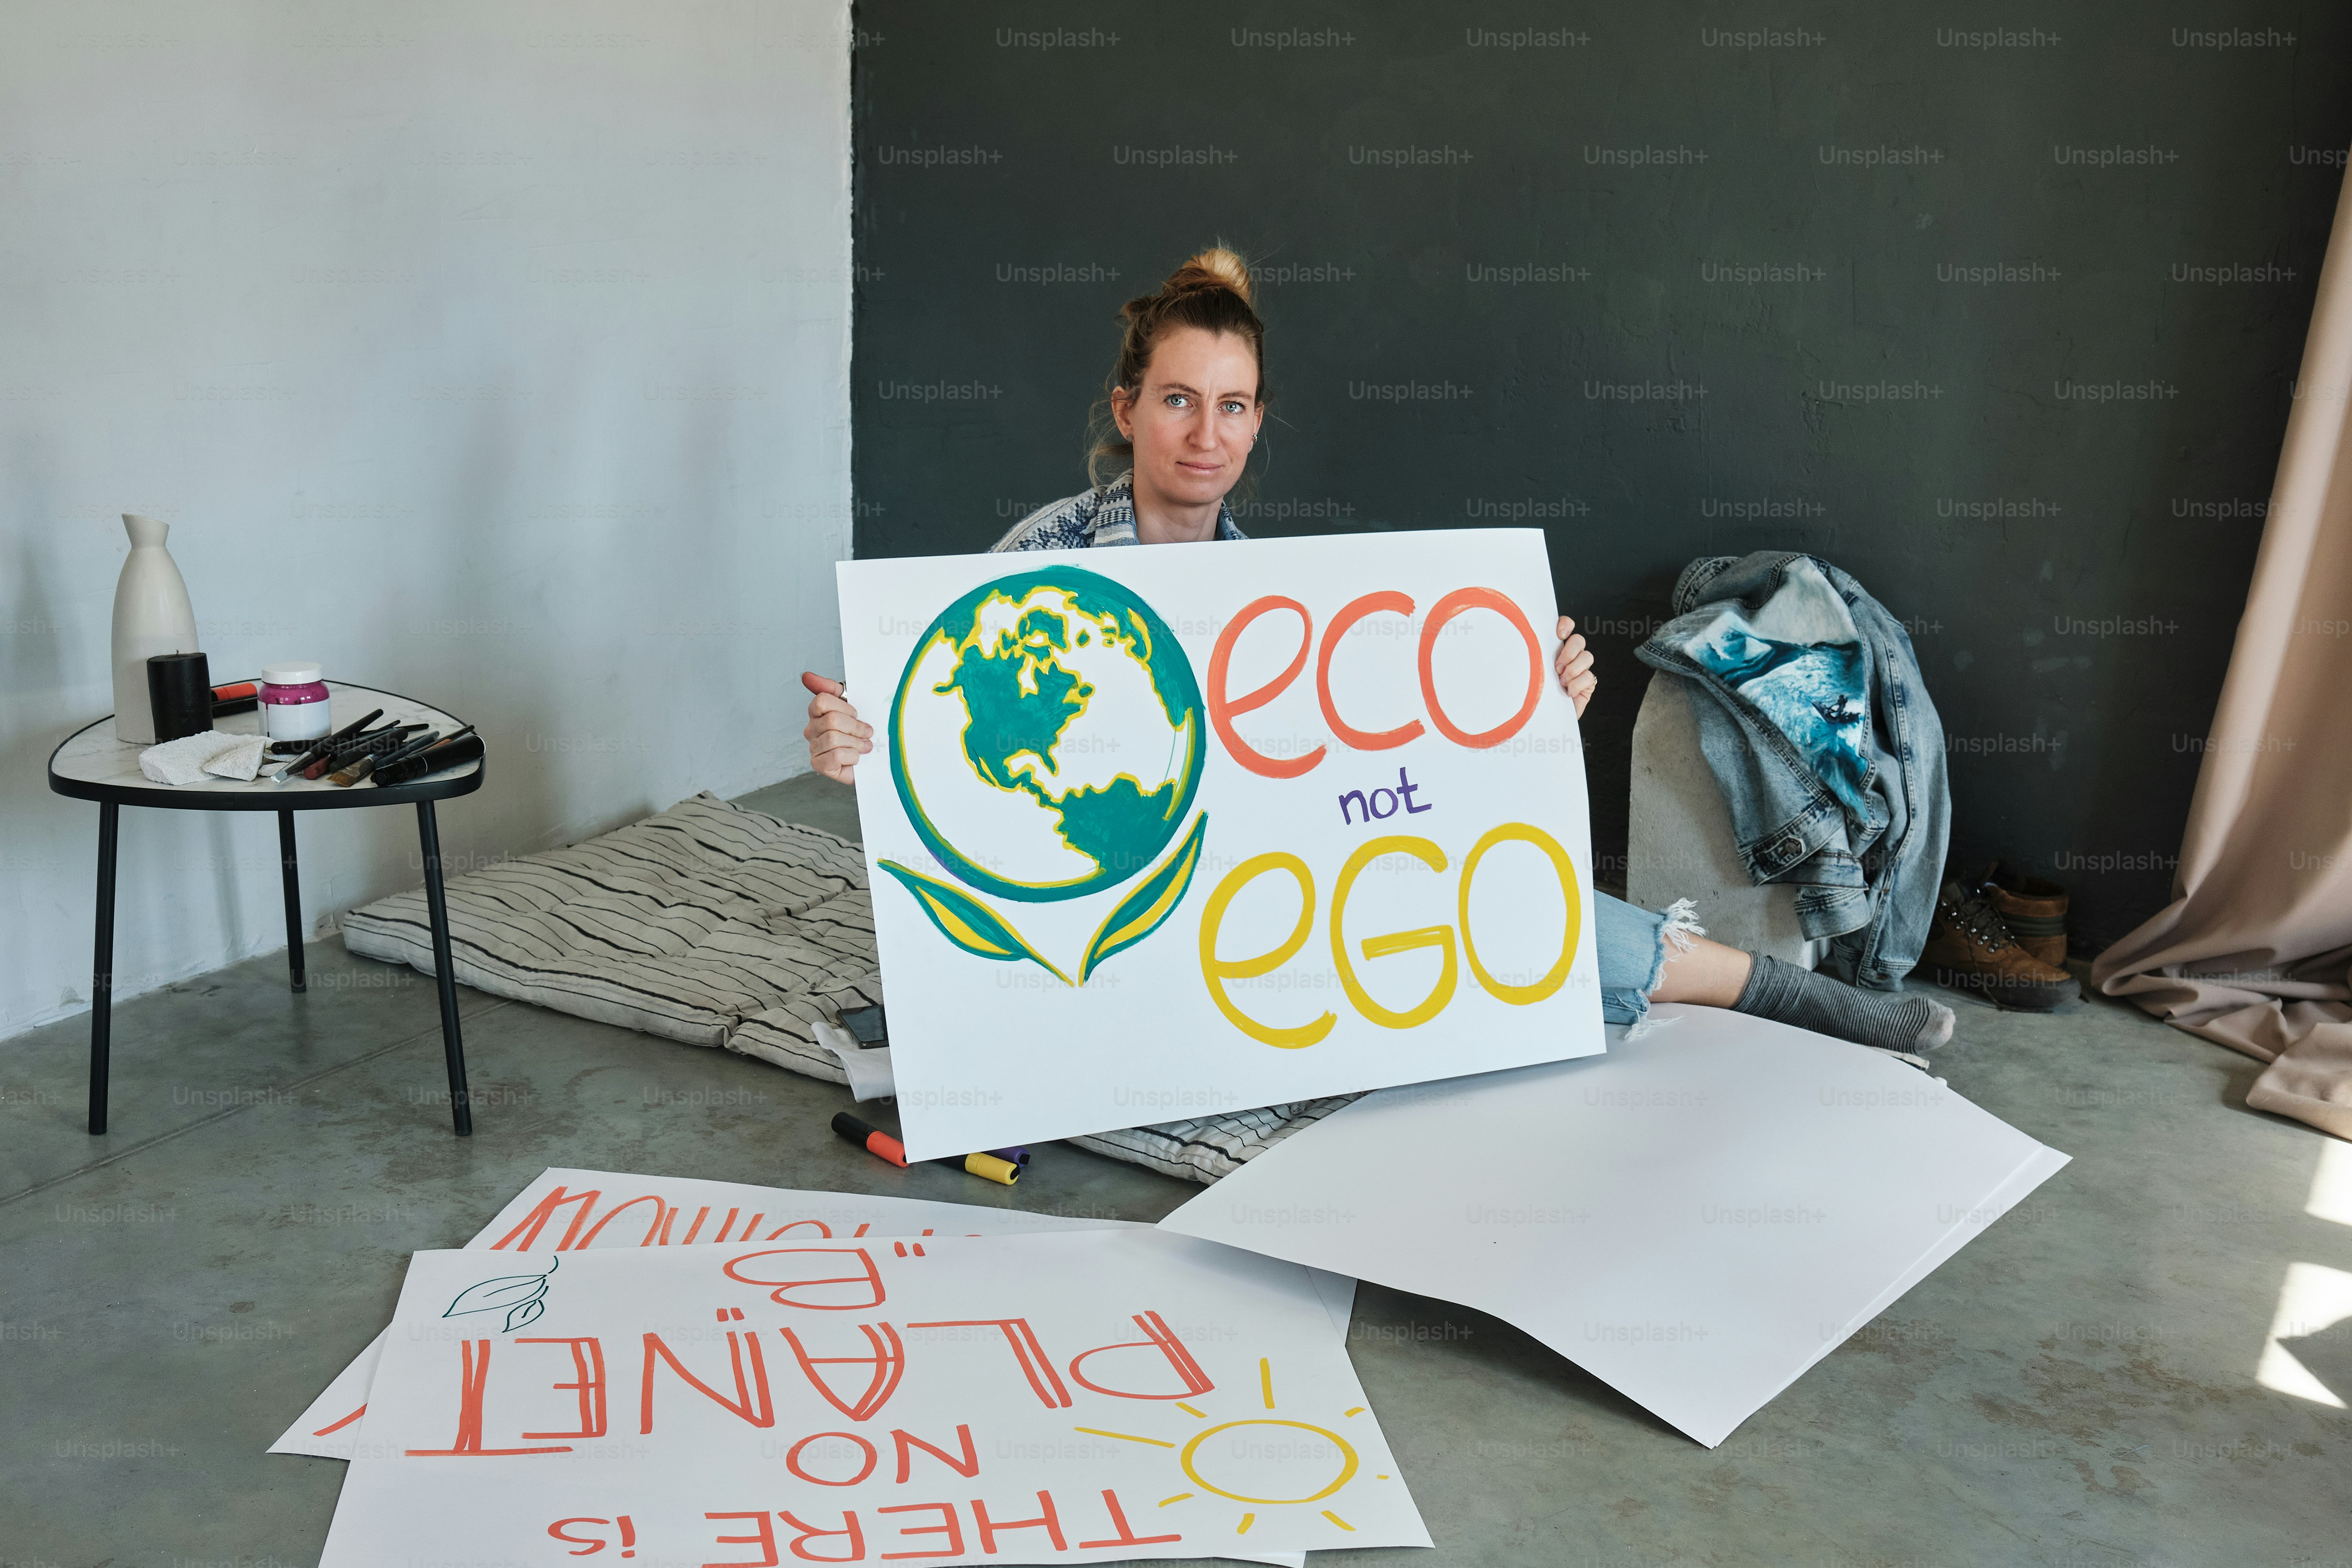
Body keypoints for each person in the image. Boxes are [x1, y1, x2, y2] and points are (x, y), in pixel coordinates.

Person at [802, 246, 1954, 1057]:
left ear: (1260, 422)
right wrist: (855, 743)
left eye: (1236, 407)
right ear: (1127, 409)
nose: (1208, 436)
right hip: (1107, 895)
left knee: (1511, 913)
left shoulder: (1280, 595)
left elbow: (1388, 774)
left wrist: (1534, 707)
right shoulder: (1039, 563)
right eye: (1179, 401)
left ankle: (1803, 1004)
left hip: (1255, 880)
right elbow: (940, 741)